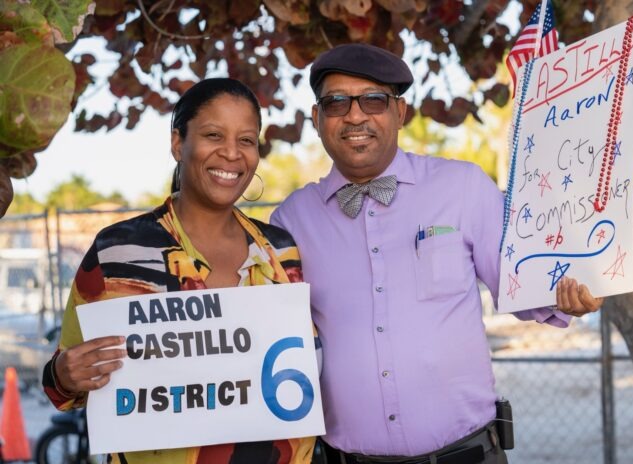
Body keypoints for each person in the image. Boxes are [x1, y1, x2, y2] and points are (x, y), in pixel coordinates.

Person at [270, 44, 603, 464]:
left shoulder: (462, 187)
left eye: (374, 100)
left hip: (466, 456)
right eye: (337, 102)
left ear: (400, 113)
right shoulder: (291, 220)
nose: (355, 116)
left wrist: (570, 292)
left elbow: (522, 281)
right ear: (317, 119)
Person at [42, 78, 316, 464]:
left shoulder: (282, 251)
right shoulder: (117, 252)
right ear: (177, 144)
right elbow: (62, 388)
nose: (231, 154)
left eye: (246, 140)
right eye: (213, 135)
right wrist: (66, 374)